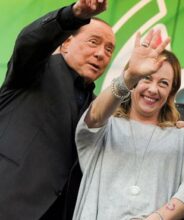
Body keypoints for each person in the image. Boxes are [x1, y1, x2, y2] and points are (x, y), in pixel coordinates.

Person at [0, 1, 115, 219]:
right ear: (65, 44)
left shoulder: (99, 109)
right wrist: (73, 14)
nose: (101, 54)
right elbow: (29, 42)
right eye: (93, 42)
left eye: (109, 49)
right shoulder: (35, 69)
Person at [72, 30, 184, 220]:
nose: (153, 89)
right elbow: (95, 117)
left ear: (171, 93)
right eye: (146, 78)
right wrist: (128, 76)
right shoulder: (106, 127)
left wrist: (156, 218)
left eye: (163, 83)